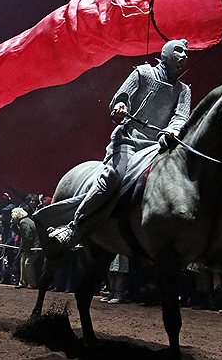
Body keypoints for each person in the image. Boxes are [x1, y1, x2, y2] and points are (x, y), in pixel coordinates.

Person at [47, 39, 191, 247]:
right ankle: (74, 227)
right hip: (128, 140)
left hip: (156, 148)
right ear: (165, 53)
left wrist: (172, 130)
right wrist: (121, 105)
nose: (184, 55)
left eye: (186, 52)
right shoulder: (142, 73)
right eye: (178, 50)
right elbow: (120, 97)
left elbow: (181, 117)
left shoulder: (183, 90)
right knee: (113, 176)